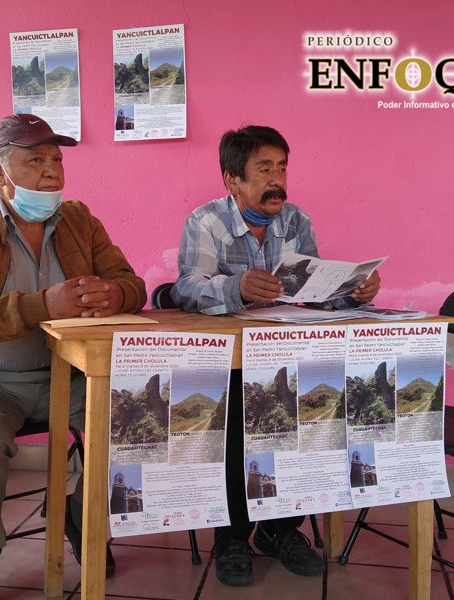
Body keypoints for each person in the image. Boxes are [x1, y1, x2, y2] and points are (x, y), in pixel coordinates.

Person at [0, 114, 146, 600]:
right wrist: (40, 306)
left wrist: (116, 293)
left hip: (73, 374)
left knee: (139, 416)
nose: (52, 172)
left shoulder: (80, 220)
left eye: (56, 160)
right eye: (34, 160)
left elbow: (133, 284)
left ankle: (77, 510)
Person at [170, 125, 380, 586]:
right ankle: (230, 536)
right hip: (223, 363)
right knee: (234, 422)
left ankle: (280, 530)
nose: (277, 179)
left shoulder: (296, 222)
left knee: (309, 414)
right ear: (232, 180)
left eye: (282, 167)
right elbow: (184, 288)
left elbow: (315, 291)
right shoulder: (205, 222)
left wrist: (353, 293)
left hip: (284, 354)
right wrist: (235, 287)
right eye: (264, 168)